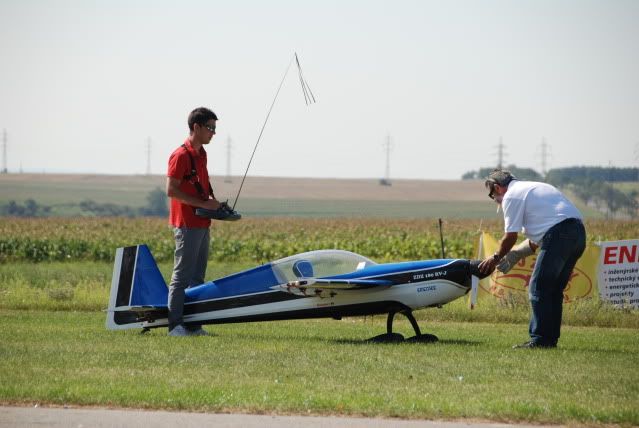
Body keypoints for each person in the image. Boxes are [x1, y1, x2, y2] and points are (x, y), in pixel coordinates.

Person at [478, 169, 586, 348]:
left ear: (497, 187)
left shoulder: (511, 197)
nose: (495, 201)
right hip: (579, 234)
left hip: (560, 235)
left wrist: (495, 257)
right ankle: (550, 339)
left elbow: (510, 236)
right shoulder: (533, 188)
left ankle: (540, 340)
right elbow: (546, 232)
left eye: (493, 196)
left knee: (539, 287)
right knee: (553, 290)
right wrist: (516, 253)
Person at [165, 107, 223, 337]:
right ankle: (174, 326)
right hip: (186, 223)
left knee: (198, 277)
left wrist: (213, 203)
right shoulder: (179, 155)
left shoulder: (202, 154)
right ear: (196, 127)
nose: (213, 133)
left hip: (202, 222)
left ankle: (193, 324)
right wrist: (202, 205)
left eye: (215, 128)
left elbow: (201, 185)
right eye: (210, 128)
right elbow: (171, 190)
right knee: (181, 276)